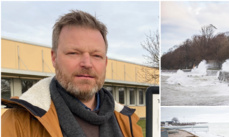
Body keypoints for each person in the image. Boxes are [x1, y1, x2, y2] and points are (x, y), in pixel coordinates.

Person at [1, 10, 143, 137]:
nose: (87, 63)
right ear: (54, 58)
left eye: (96, 55)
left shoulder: (127, 120)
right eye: (74, 53)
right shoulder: (16, 122)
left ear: (105, 63)